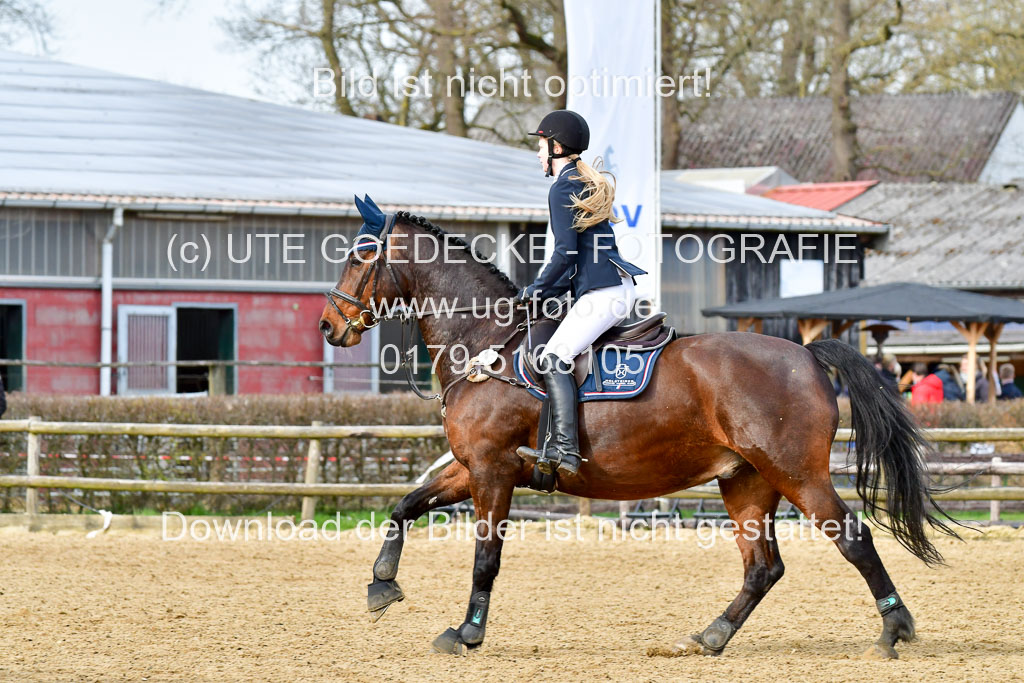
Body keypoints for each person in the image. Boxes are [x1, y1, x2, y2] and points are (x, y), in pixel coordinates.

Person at [513, 110, 647, 477]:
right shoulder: (579, 180)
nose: (539, 154)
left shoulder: (563, 186)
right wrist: (543, 291)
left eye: (541, 146)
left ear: (556, 147)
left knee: (554, 356)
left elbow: (565, 254)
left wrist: (536, 290)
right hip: (611, 287)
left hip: (604, 292)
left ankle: (566, 451)